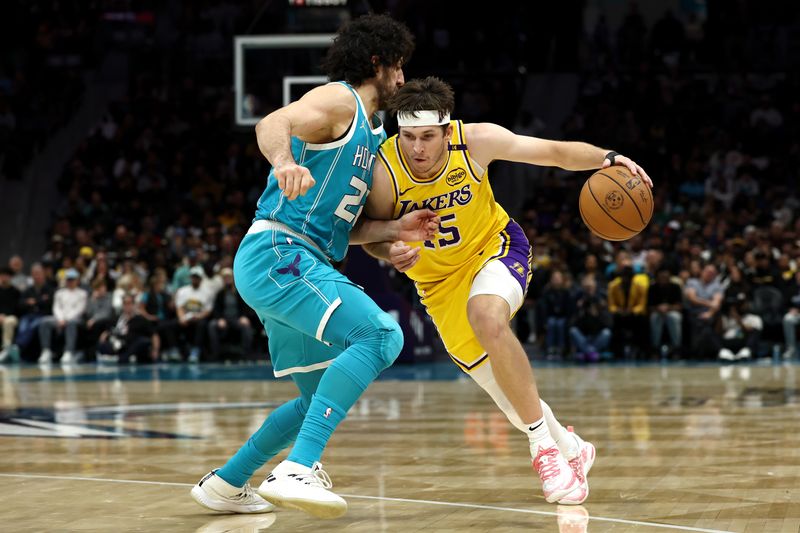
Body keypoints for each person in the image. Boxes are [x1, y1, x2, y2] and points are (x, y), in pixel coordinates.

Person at [360, 76, 652, 505]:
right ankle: (572, 448)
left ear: (446, 131)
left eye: (427, 137)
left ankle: (544, 451)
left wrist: (608, 159)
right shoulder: (384, 170)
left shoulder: (476, 141)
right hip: (437, 285)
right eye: (407, 136)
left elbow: (552, 152)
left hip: (493, 250)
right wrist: (391, 250)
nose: (417, 148)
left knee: (487, 315)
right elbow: (369, 236)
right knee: (513, 402)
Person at [190, 13, 433, 519]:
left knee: (312, 400)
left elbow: (349, 231)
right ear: (378, 62)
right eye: (399, 68)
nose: (403, 80)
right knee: (381, 337)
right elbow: (271, 122)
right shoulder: (339, 100)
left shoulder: (371, 134)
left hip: (291, 259)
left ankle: (227, 483)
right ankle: (300, 467)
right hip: (281, 251)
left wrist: (393, 232)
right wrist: (283, 162)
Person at [38, 268, 87, 365]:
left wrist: (66, 319)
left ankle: (69, 352)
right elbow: (56, 308)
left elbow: (79, 309)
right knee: (44, 322)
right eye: (68, 279)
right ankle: (46, 351)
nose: (70, 281)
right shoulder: (59, 293)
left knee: (72, 323)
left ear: (77, 280)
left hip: (75, 319)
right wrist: (60, 319)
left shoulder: (82, 293)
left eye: (72, 279)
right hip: (59, 318)